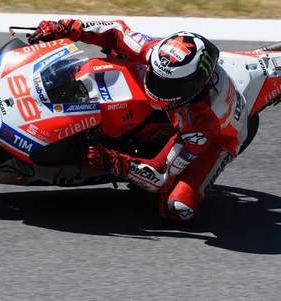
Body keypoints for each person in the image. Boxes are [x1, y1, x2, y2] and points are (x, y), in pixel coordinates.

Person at [29, 19, 249, 221]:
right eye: (156, 75)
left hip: (216, 141)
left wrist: (114, 162)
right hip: (176, 112)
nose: (157, 86)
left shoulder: (201, 124)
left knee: (177, 209)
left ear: (192, 86)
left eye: (167, 85)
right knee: (120, 52)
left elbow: (160, 175)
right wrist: (68, 28)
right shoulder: (158, 55)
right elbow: (116, 31)